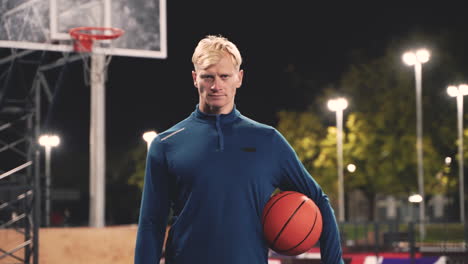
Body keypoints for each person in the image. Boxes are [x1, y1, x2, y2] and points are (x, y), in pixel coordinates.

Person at [134, 35, 344, 264]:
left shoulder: (268, 141)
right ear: (195, 78)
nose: (216, 85)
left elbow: (319, 201)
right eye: (208, 77)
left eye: (224, 76)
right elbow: (151, 223)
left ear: (239, 78)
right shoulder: (166, 144)